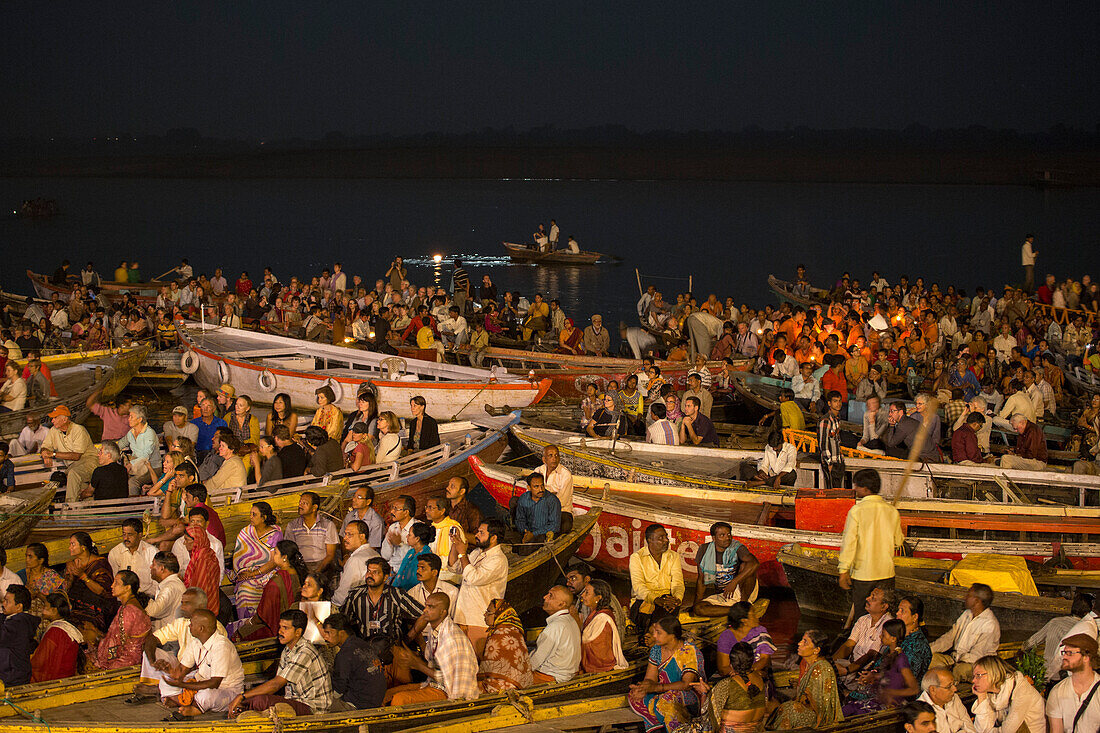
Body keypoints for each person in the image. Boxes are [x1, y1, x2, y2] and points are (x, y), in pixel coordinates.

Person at [229, 610, 334, 717]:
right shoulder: (288, 650)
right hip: (296, 701)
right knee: (252, 701)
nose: (280, 632)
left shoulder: (305, 652)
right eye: (280, 627)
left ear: (298, 632)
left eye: (286, 628)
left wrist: (242, 696)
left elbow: (276, 684)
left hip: (313, 708)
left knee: (259, 701)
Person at [838, 468, 904, 627]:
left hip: (863, 575)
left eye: (857, 486)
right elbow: (898, 542)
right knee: (886, 616)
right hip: (886, 574)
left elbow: (849, 543)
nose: (855, 489)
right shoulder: (891, 511)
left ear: (865, 489)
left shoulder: (857, 511)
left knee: (862, 617)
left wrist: (843, 570)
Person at [388, 592, 479, 704]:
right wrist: (412, 657)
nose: (425, 610)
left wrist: (417, 664)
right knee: (388, 694)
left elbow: (447, 678)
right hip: (435, 685)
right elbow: (434, 665)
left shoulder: (451, 637)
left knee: (399, 699)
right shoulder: (435, 630)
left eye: (431, 607)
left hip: (452, 694)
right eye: (426, 605)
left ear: (442, 612)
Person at [157, 609, 245, 720]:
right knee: (164, 681)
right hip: (201, 683)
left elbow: (214, 683)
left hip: (227, 690)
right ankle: (187, 702)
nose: (189, 626)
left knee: (207, 696)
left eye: (192, 624)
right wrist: (169, 670)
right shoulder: (196, 641)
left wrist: (182, 685)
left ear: (201, 628)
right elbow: (182, 670)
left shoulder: (221, 646)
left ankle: (190, 706)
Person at [628, 616, 705, 733]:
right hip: (663, 690)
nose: (654, 636)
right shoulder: (656, 650)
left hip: (689, 694)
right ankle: (660, 726)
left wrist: (656, 688)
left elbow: (686, 685)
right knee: (634, 695)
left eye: (659, 632)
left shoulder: (689, 651)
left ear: (672, 635)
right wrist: (643, 688)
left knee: (667, 702)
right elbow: (650, 678)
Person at [450, 519, 509, 656]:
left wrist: (462, 554)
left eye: (481, 532)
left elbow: (473, 578)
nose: (476, 535)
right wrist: (455, 544)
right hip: (462, 616)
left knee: (477, 662)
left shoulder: (498, 560)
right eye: (477, 531)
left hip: (479, 619)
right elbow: (455, 567)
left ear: (493, 538)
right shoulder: (477, 552)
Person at [231, 540, 307, 642]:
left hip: (275, 626)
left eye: (275, 553)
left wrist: (250, 622)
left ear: (284, 557)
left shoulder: (276, 582)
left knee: (237, 635)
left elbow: (264, 614)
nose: (273, 556)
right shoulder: (297, 573)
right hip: (293, 623)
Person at [841, 618, 921, 715]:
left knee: (852, 710)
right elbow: (892, 676)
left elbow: (914, 689)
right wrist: (873, 676)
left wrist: (892, 692)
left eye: (883, 634)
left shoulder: (901, 659)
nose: (880, 636)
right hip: (880, 699)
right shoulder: (889, 653)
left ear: (893, 638)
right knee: (848, 707)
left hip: (892, 705)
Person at [769, 629, 843, 729]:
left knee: (790, 709)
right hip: (808, 709)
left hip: (818, 717)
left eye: (805, 642)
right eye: (801, 640)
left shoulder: (821, 669)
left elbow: (820, 705)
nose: (799, 643)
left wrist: (801, 699)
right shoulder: (807, 664)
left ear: (816, 650)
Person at [930, 583, 1000, 682]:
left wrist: (955, 664)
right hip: (955, 660)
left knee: (960, 670)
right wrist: (929, 649)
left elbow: (978, 655)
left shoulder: (990, 624)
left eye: (968, 595)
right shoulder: (967, 614)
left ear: (976, 601)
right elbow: (950, 637)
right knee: (930, 659)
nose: (965, 597)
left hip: (975, 664)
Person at [1024, 593, 1094, 688]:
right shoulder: (1086, 629)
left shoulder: (1055, 622)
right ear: (1088, 613)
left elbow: (1029, 643)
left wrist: (1022, 650)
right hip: (1065, 679)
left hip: (1045, 677)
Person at [86, 570, 151, 671]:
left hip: (127, 660)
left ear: (127, 588)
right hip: (133, 657)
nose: (112, 586)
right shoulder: (128, 606)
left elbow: (120, 642)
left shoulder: (129, 610)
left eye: (116, 583)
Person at [321, 612, 387, 711]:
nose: (325, 637)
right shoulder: (361, 643)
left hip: (359, 704)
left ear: (341, 633)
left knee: (319, 704)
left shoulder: (344, 654)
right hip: (376, 699)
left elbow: (338, 689)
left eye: (328, 633)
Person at [692, 522, 760, 616]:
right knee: (699, 609)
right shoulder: (704, 549)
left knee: (746, 565)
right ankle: (738, 610)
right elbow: (701, 580)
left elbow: (754, 564)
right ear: (714, 538)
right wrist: (695, 605)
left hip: (741, 592)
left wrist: (734, 582)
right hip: (723, 595)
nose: (727, 538)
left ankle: (744, 604)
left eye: (729, 534)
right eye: (722, 535)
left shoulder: (737, 547)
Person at [629, 524, 684, 637]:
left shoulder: (674, 556)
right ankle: (654, 633)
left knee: (668, 608)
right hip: (644, 601)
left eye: (666, 537)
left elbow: (678, 583)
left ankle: (651, 633)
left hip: (667, 600)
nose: (666, 540)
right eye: (661, 538)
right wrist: (656, 600)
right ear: (649, 540)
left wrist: (677, 599)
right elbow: (638, 587)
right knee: (662, 614)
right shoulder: (637, 557)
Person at [834, 585, 898, 679]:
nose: (867, 599)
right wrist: (831, 661)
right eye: (869, 596)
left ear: (884, 606)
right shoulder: (863, 619)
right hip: (851, 665)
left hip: (866, 671)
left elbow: (871, 655)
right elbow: (849, 644)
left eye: (873, 598)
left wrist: (847, 670)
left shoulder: (888, 625)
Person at [970, 654, 1046, 733]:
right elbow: (980, 730)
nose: (973, 681)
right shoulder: (993, 694)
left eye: (978, 675)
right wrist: (981, 697)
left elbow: (1007, 731)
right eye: (974, 676)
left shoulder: (1022, 691)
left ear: (993, 673)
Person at [40, 404, 98, 502]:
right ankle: (82, 513)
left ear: (64, 419)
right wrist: (45, 455)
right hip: (74, 467)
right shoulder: (54, 430)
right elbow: (45, 446)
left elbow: (76, 456)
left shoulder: (79, 429)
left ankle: (69, 506)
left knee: (73, 474)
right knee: (80, 486)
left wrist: (53, 454)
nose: (52, 420)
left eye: (55, 418)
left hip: (90, 462)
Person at [477, 598, 534, 693]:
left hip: (503, 688)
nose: (485, 614)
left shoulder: (499, 635)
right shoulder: (514, 630)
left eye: (488, 612)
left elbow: (490, 669)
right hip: (520, 684)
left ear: (499, 616)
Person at [64, 531, 117, 632]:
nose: (69, 548)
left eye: (73, 544)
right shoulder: (72, 564)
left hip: (96, 611)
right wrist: (70, 576)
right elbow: (67, 589)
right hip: (75, 609)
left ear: (83, 547)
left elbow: (102, 591)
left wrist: (83, 576)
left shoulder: (100, 564)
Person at [1046, 633, 1099, 733]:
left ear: (1086, 657)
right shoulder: (1057, 692)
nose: (1064, 657)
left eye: (1070, 653)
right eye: (1064, 652)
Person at [529, 585, 581, 683]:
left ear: (561, 604)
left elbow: (535, 661)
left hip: (552, 676)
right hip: (566, 674)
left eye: (551, 596)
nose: (545, 597)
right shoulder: (570, 620)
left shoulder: (555, 627)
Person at [715, 601, 776, 683]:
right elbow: (723, 668)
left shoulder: (760, 632)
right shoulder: (726, 636)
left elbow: (764, 659)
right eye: (753, 615)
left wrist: (749, 673)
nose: (757, 617)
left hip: (756, 674)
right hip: (735, 678)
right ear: (744, 621)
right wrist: (740, 675)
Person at [30, 593, 83, 682]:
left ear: (54, 610)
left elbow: (39, 662)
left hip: (55, 680)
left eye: (45, 607)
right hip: (67, 678)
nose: (42, 610)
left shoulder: (55, 631)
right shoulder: (66, 628)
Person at [579, 579, 628, 674]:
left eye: (587, 593)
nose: (582, 595)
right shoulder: (594, 613)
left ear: (598, 598)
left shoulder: (603, 618)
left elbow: (599, 650)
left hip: (601, 665)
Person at [285, 491, 339, 573]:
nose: (300, 505)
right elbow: (290, 551)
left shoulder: (328, 525)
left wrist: (317, 571)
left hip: (322, 565)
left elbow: (330, 555)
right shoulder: (292, 526)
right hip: (301, 566)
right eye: (300, 502)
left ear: (314, 508)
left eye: (304, 503)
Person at [333, 520, 380, 605]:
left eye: (349, 534)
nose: (345, 538)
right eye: (345, 534)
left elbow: (343, 594)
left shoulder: (356, 559)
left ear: (362, 537)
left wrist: (333, 603)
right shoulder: (376, 554)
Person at [108, 517, 159, 595]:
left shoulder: (152, 552)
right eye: (124, 534)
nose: (126, 538)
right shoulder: (115, 553)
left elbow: (156, 582)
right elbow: (116, 581)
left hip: (147, 596)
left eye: (130, 534)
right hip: (124, 597)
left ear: (140, 535)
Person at [917, 668, 977, 733]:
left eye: (954, 684)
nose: (955, 689)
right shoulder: (919, 711)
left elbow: (968, 725)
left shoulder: (954, 698)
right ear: (933, 690)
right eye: (949, 686)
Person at [0, 585, 39, 686]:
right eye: (4, 600)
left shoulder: (19, 623)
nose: (3, 604)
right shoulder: (10, 619)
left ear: (18, 607)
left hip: (12, 677)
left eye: (7, 601)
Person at [514, 472, 562, 550]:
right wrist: (526, 533)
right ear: (529, 488)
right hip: (527, 533)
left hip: (543, 534)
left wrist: (533, 534)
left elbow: (555, 526)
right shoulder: (523, 498)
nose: (541, 489)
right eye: (536, 487)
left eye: (542, 485)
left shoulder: (552, 500)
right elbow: (520, 519)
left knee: (525, 551)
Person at [18, 543, 64, 617]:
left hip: (46, 618)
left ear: (41, 560)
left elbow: (59, 604)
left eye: (30, 557)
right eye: (26, 556)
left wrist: (39, 595)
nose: (27, 560)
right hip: (25, 618)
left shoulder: (52, 578)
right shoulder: (21, 575)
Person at [896, 595, 933, 683]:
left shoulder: (918, 645)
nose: (897, 613)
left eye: (902, 611)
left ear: (915, 617)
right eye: (898, 610)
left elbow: (906, 678)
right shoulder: (900, 636)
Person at [145, 552, 185, 630]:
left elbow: (154, 611)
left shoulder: (170, 587)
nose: (150, 567)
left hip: (170, 638)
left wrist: (138, 596)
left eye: (153, 564)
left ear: (162, 568)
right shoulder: (172, 584)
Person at [381, 494, 417, 574]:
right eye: (392, 508)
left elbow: (413, 558)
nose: (391, 512)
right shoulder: (393, 528)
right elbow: (385, 556)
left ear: (406, 512)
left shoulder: (417, 528)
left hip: (408, 573)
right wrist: (390, 543)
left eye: (396, 509)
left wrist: (400, 544)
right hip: (391, 571)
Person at [818, 390, 846, 489]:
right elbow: (823, 443)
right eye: (835, 401)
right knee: (832, 490)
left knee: (838, 489)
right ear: (829, 403)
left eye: (839, 401)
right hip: (831, 462)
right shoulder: (825, 420)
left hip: (838, 460)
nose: (838, 404)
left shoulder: (836, 419)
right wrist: (829, 462)